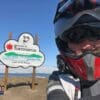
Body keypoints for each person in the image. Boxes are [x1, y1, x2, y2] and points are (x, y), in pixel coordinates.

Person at [47, 0, 100, 100]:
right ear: (64, 44)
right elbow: (55, 94)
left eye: (96, 34)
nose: (87, 45)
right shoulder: (59, 79)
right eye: (75, 36)